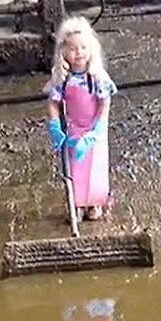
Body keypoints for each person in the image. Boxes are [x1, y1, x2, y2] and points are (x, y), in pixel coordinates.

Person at [43, 16, 117, 221]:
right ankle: (76, 203)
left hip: (95, 129)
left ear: (91, 48)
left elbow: (105, 101)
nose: (79, 53)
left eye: (84, 47)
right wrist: (55, 126)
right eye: (73, 49)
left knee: (96, 166)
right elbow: (53, 102)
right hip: (74, 129)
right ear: (64, 51)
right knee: (76, 166)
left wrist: (99, 127)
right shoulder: (63, 78)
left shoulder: (97, 76)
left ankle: (95, 202)